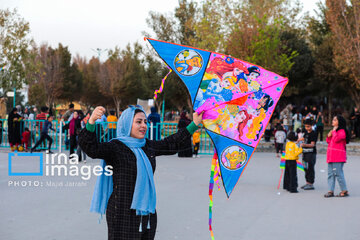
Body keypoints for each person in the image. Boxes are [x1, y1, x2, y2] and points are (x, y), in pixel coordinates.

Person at [78, 105, 203, 240]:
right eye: (138, 122)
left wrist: (194, 124)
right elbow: (91, 148)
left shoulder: (147, 146)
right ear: (127, 124)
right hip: (121, 212)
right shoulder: (116, 147)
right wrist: (91, 122)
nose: (144, 125)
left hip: (145, 212)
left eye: (145, 122)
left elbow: (170, 143)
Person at [324, 115, 350, 198]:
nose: (332, 121)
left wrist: (334, 132)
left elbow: (336, 139)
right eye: (333, 119)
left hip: (338, 157)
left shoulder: (342, 131)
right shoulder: (334, 131)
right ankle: (330, 191)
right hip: (331, 156)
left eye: (335, 120)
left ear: (339, 122)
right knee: (330, 174)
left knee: (338, 173)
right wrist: (329, 135)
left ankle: (344, 190)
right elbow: (329, 141)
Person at [299, 119, 317, 190]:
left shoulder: (313, 133)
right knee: (305, 168)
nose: (307, 128)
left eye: (308, 126)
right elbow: (305, 137)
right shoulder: (306, 132)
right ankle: (307, 182)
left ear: (312, 126)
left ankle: (311, 183)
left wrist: (304, 144)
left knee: (310, 168)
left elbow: (312, 145)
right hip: (305, 153)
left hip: (311, 154)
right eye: (306, 127)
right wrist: (299, 140)